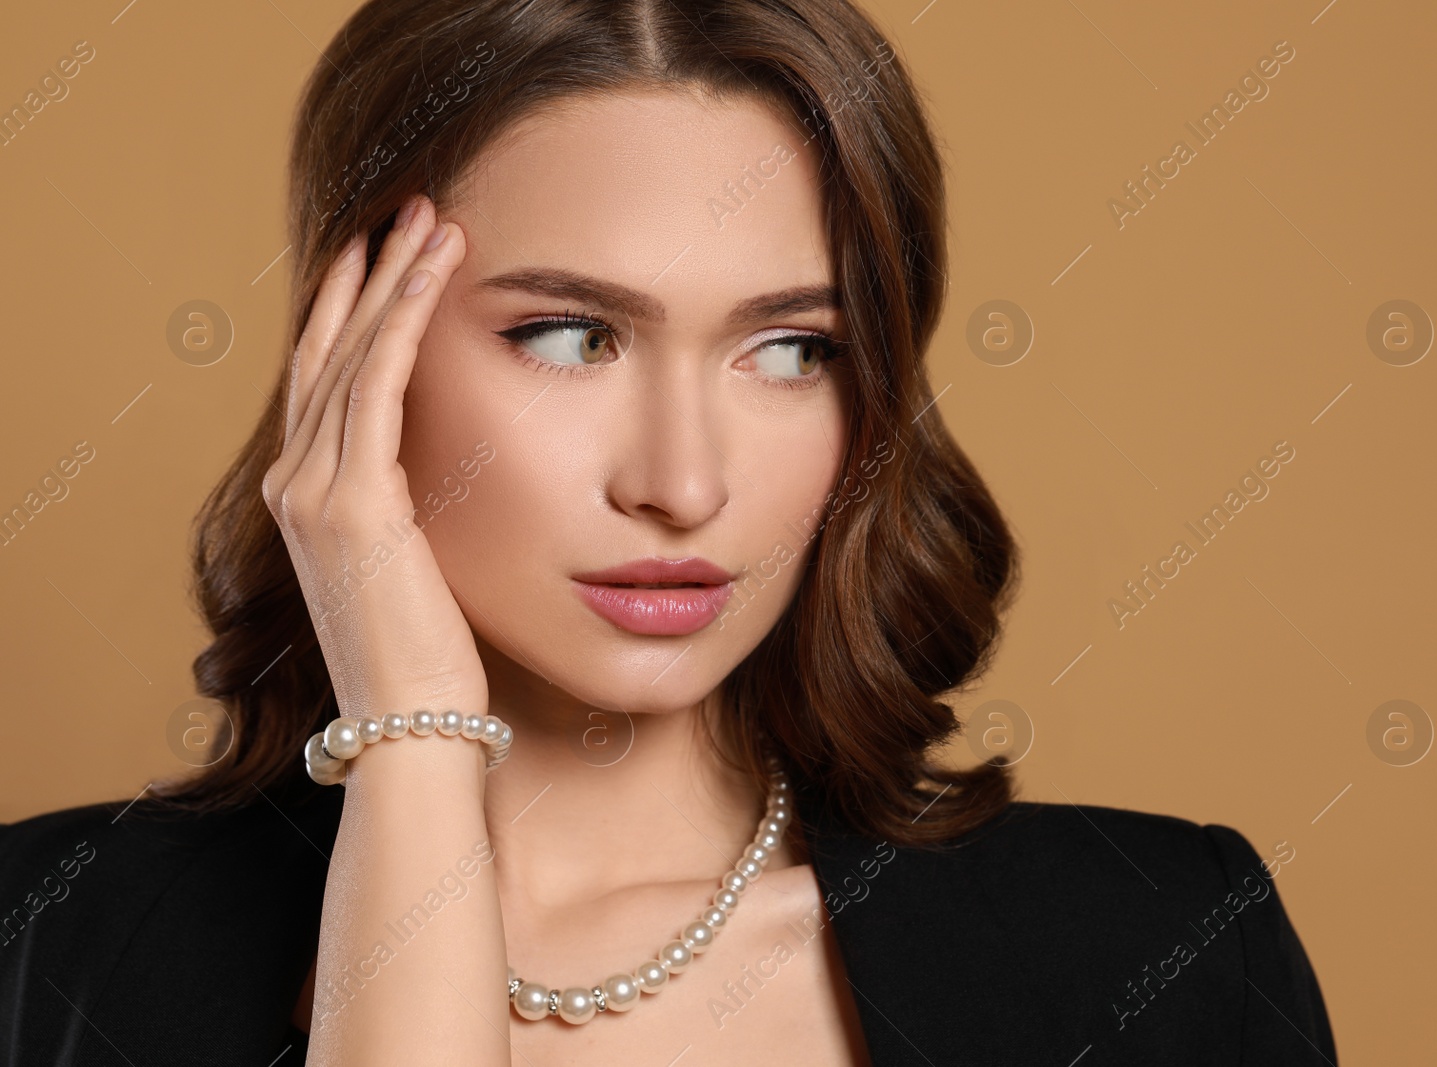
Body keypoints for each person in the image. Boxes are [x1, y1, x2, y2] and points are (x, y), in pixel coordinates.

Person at [0, 0, 1337, 1063]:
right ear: (353, 353)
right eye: (571, 336)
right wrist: (410, 740)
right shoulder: (45, 946)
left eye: (789, 349)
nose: (682, 484)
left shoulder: (1162, 951)